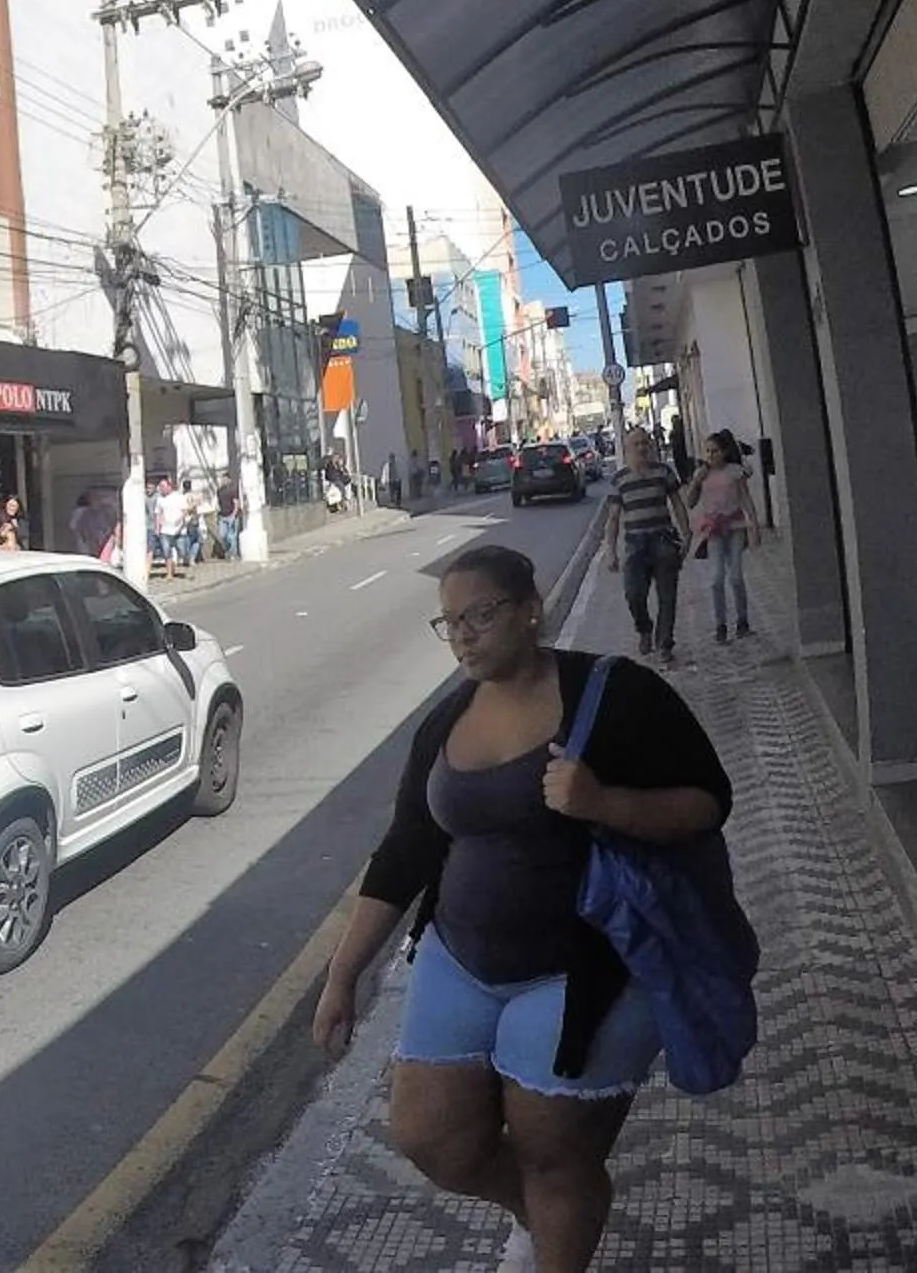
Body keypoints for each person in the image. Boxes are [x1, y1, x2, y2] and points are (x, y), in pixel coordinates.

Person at [311, 545, 733, 1273]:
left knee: (553, 1154)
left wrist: (605, 802)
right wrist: (342, 974)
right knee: (431, 1138)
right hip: (459, 960)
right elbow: (405, 850)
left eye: (480, 613)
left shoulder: (615, 694)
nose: (465, 635)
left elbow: (706, 802)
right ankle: (537, 1218)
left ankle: (555, 1231)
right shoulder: (444, 722)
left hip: (584, 971)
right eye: (449, 622)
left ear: (529, 607)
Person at [609, 430, 691, 666]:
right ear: (627, 449)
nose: (642, 448)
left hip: (663, 540)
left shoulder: (664, 472)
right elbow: (613, 519)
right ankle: (644, 628)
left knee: (667, 596)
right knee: (634, 594)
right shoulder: (619, 480)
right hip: (635, 545)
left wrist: (686, 534)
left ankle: (665, 643)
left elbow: (677, 503)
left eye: (646, 443)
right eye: (636, 444)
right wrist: (611, 552)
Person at [686, 433, 768, 644]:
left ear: (724, 452)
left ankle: (742, 621)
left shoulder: (735, 472)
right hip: (713, 530)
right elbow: (690, 502)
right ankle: (720, 624)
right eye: (708, 451)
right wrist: (696, 481)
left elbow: (745, 498)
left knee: (736, 576)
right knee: (716, 579)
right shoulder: (701, 474)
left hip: (735, 527)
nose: (711, 455)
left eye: (715, 450)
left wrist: (754, 525)